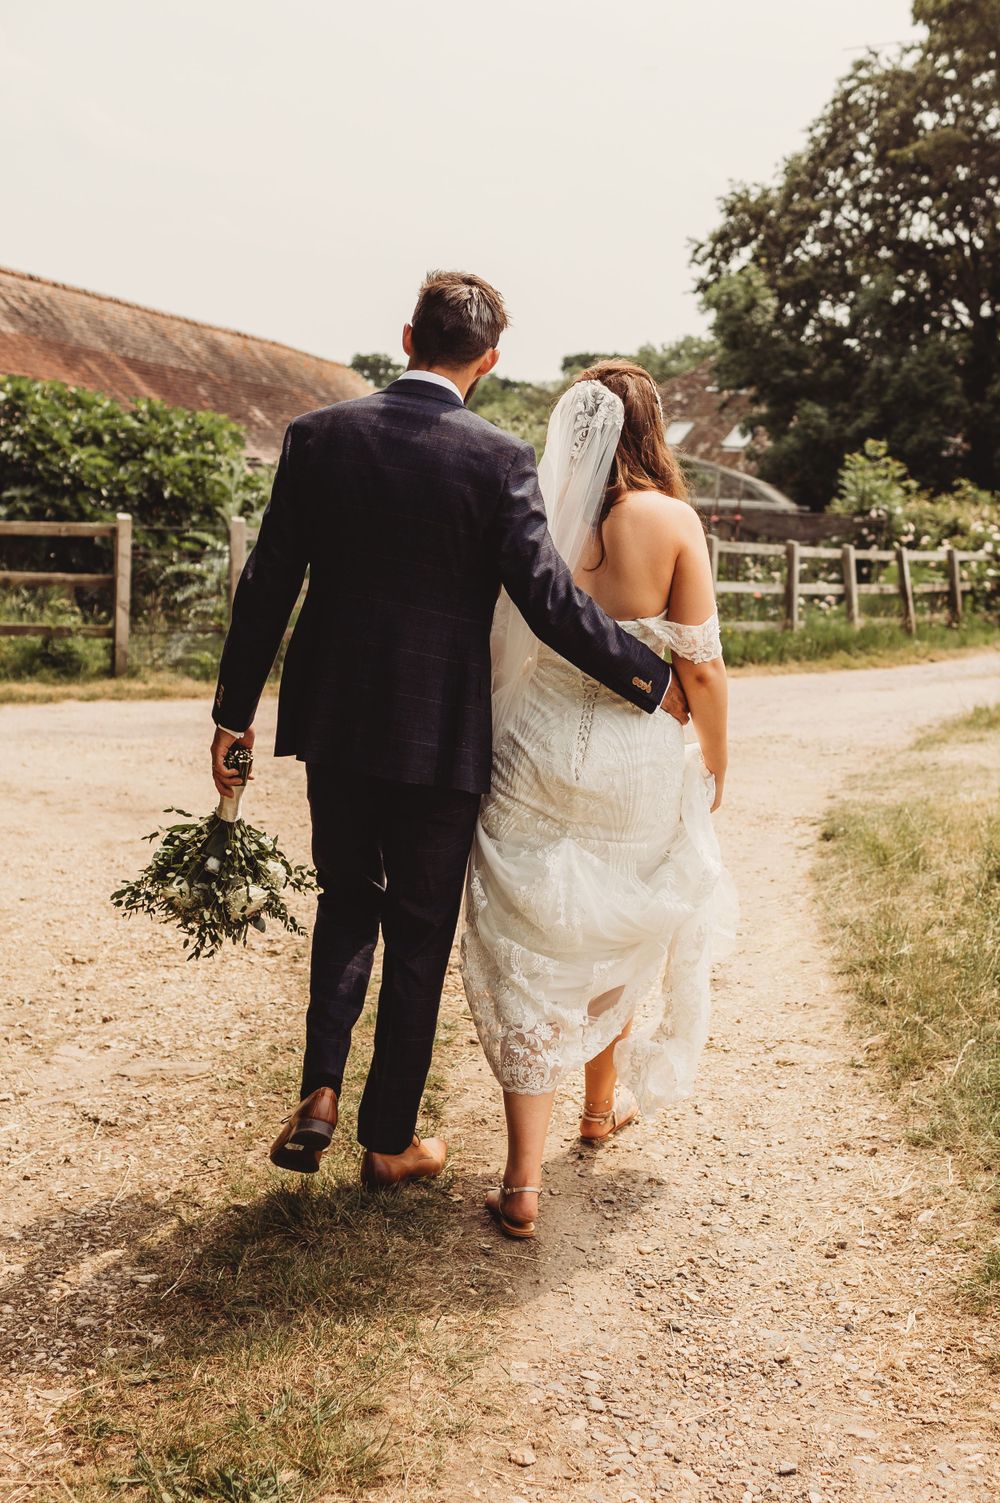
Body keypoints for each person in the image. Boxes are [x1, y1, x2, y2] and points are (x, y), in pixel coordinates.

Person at [209, 275, 690, 1188]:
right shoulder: (497, 459)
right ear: (490, 360)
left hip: (337, 721)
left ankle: (319, 1089)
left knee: (346, 899)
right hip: (440, 737)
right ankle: (389, 1141)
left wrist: (233, 714)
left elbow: (267, 583)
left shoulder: (319, 437)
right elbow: (550, 604)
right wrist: (649, 677)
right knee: (420, 930)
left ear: (405, 336)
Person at [461, 362, 735, 1238]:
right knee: (613, 925)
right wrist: (717, 759)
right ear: (650, 427)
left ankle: (523, 1180)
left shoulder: (540, 513)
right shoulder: (670, 520)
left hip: (535, 750)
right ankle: (597, 1106)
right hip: (634, 761)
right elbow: (700, 663)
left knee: (531, 944)